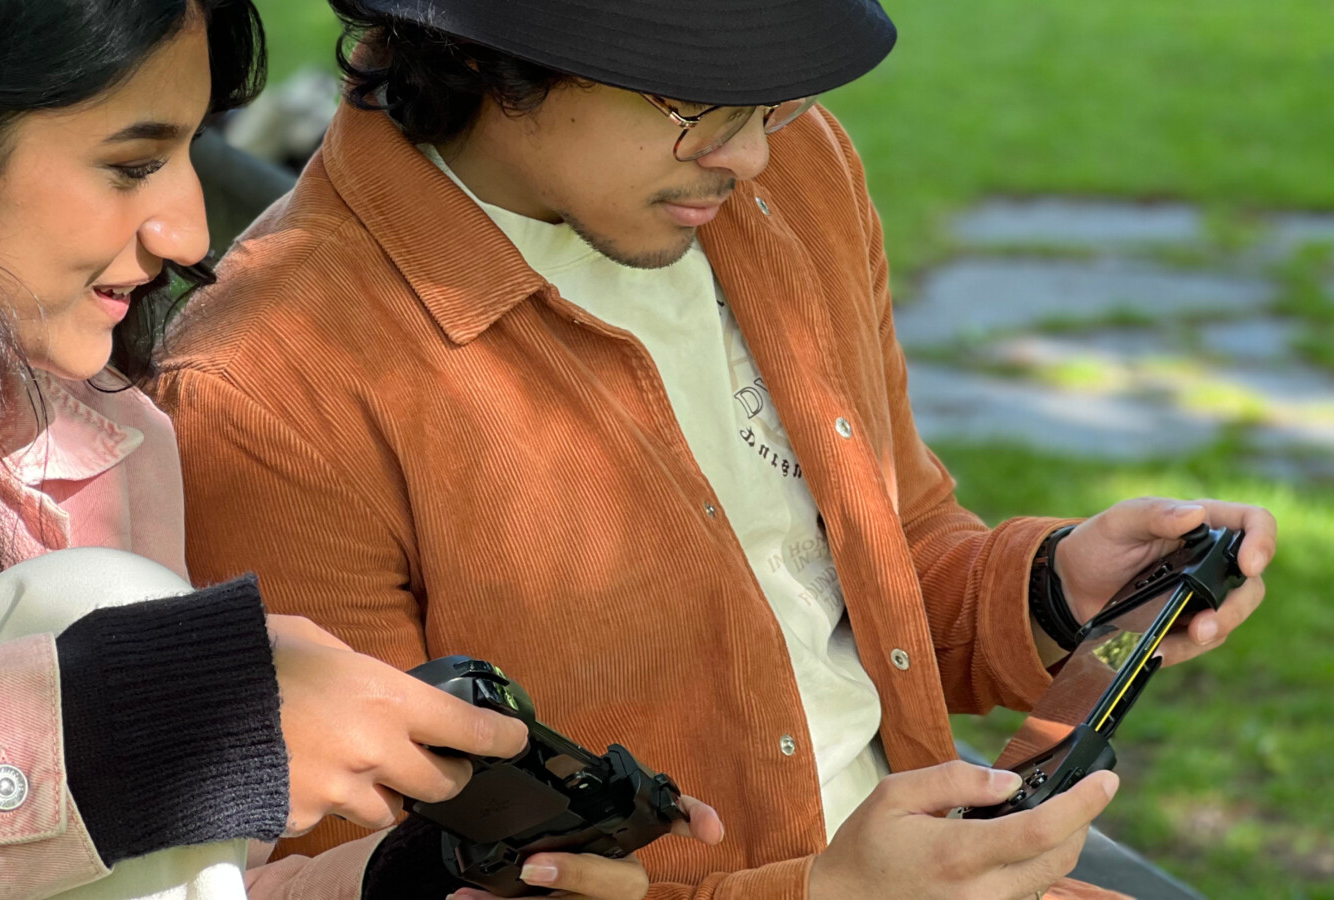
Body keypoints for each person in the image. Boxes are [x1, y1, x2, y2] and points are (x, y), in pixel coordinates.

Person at [154, 0, 1278, 897]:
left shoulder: (795, 173)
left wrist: (1050, 586)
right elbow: (370, 877)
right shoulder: (271, 384)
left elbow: (886, 567)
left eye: (777, 99)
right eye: (701, 102)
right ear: (493, 56)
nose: (748, 156)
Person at [0, 1, 718, 897]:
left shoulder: (115, 439)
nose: (189, 230)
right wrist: (125, 733)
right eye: (130, 163)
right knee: (98, 601)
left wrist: (415, 880)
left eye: (190, 152)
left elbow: (171, 887)